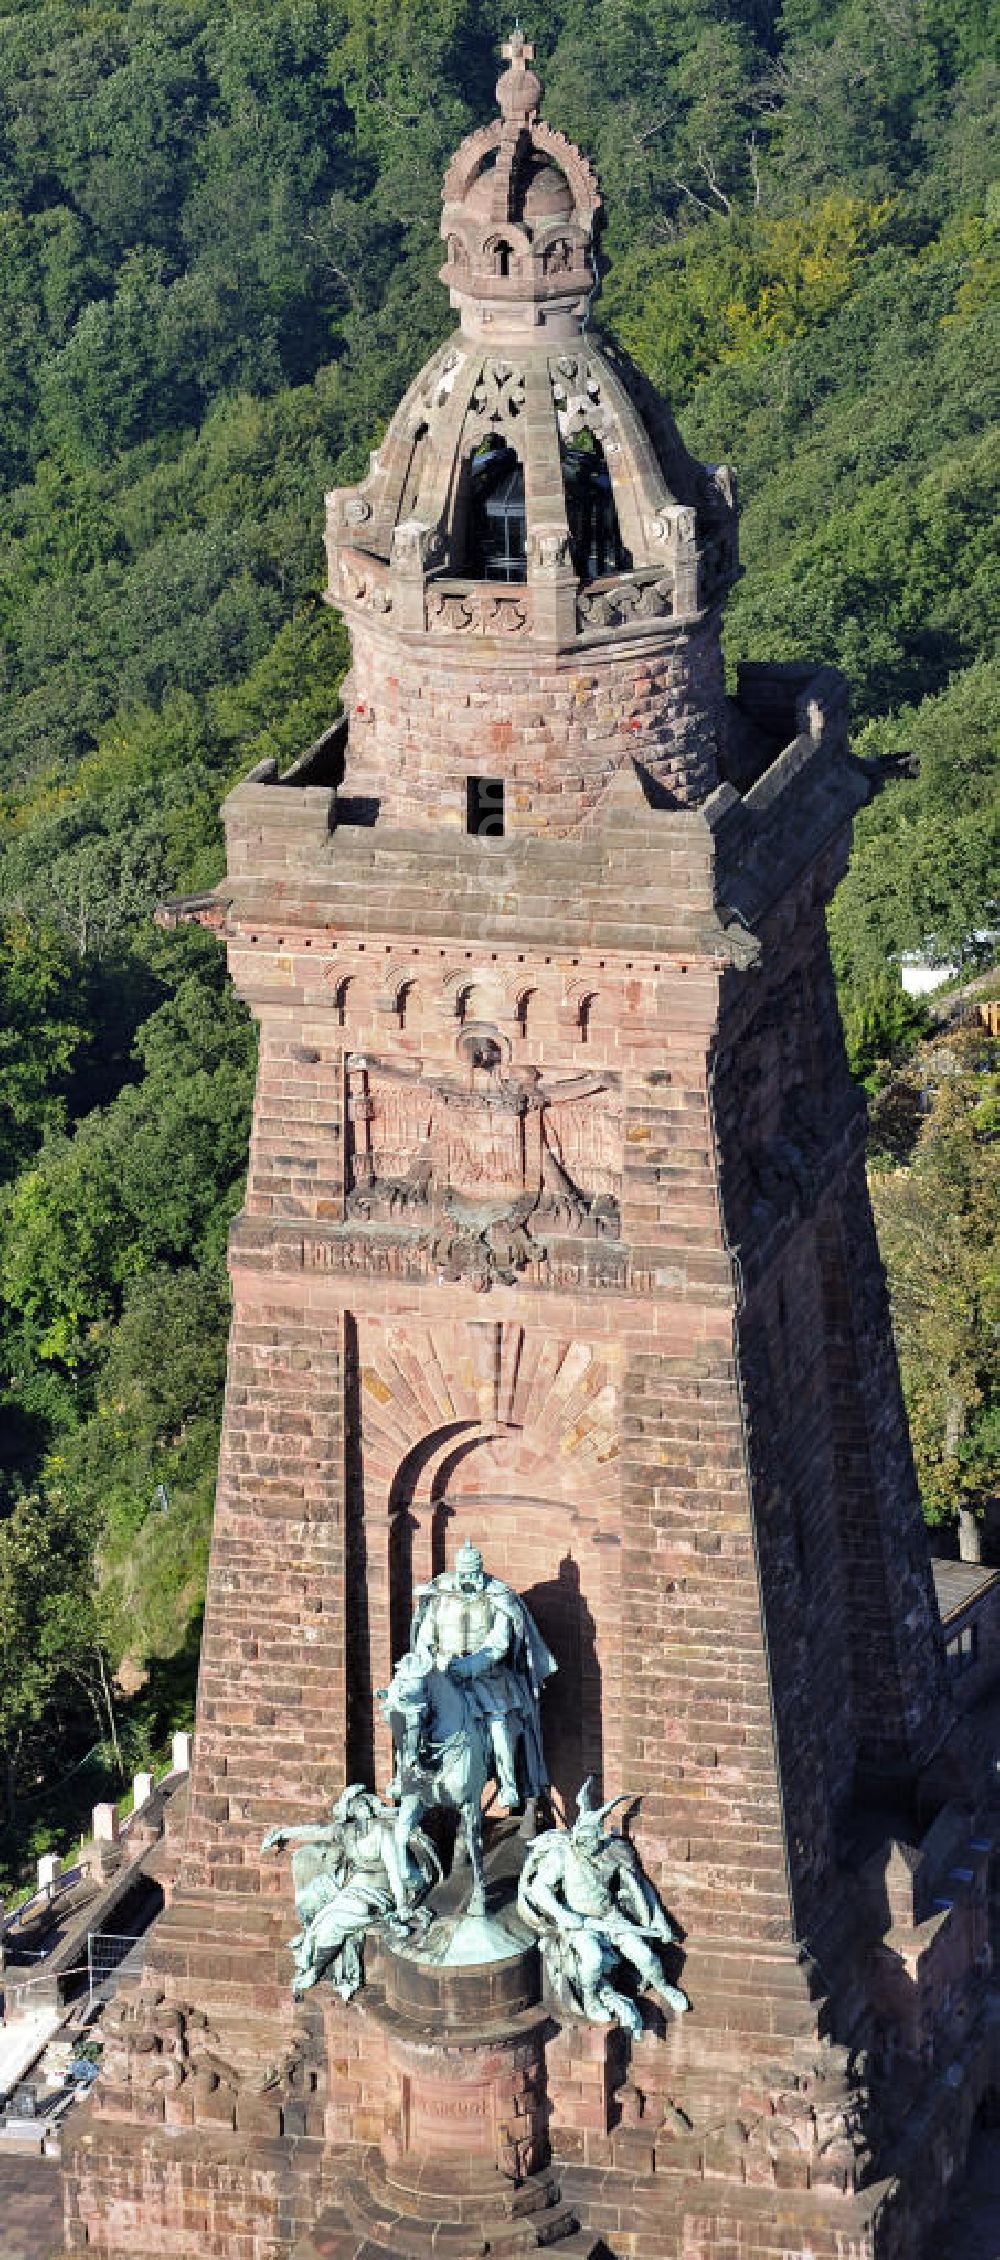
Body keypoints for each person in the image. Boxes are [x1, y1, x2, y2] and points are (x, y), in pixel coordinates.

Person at [517, 1777, 689, 2039]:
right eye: (584, 1840)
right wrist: (565, 1916)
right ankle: (591, 1999)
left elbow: (638, 1888)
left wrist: (658, 1922)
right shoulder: (562, 1855)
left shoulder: (608, 1853)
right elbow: (539, 1890)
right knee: (593, 1960)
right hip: (581, 1924)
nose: (588, 1846)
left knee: (645, 1957)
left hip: (610, 1916)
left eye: (593, 1841)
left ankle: (664, 1986)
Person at [409, 1539, 556, 1809]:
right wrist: (431, 1663)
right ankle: (410, 1775)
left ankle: (508, 1784)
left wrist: (471, 1665)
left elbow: (499, 1643)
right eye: (463, 1573)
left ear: (481, 1570)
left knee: (498, 1724)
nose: (468, 1579)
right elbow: (425, 1635)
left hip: (487, 1677)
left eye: (472, 1574)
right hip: (444, 1674)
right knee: (411, 1714)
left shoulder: (497, 1597)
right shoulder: (439, 1596)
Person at [262, 1784, 438, 2000]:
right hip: (350, 1888)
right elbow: (315, 1831)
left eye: (364, 1801)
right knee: (323, 1915)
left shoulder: (381, 1832)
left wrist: (401, 1906)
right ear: (349, 1811)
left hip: (378, 1892)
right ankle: (313, 1969)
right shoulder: (345, 1832)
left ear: (371, 1806)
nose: (361, 1805)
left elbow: (394, 1872)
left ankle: (314, 1969)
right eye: (355, 1803)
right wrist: (282, 1833)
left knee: (341, 1916)